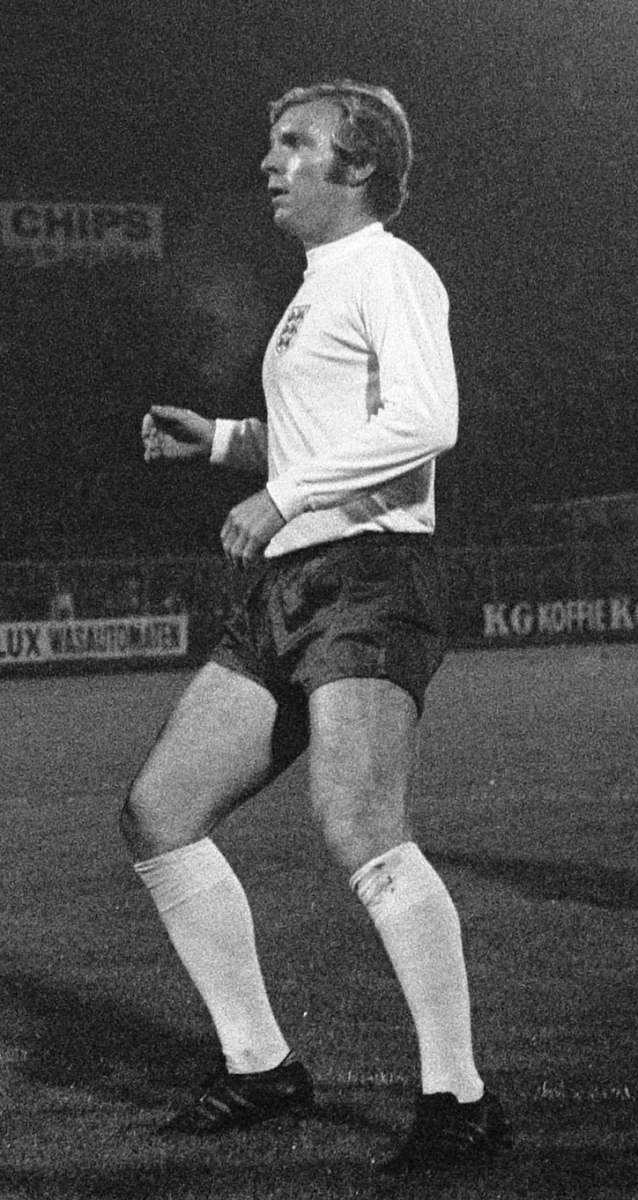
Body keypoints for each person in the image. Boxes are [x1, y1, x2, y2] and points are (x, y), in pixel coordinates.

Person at [122, 79, 512, 1175]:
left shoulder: (389, 266)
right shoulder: (318, 284)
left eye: (295, 143)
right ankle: (261, 1067)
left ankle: (461, 1099)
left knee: (359, 825)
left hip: (367, 579)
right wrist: (221, 443)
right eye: (272, 143)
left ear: (359, 166)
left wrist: (283, 494)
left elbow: (426, 418)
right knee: (159, 815)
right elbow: (327, 434)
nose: (270, 162)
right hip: (287, 586)